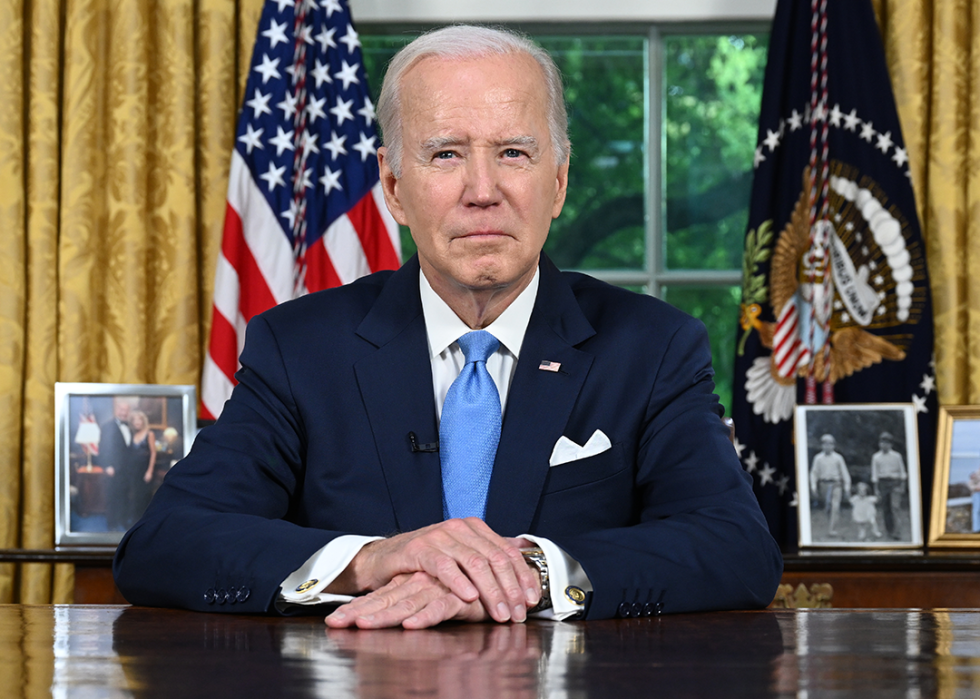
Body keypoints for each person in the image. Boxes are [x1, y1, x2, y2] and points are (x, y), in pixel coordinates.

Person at [113, 25, 782, 626]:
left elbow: (736, 546)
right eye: (446, 155)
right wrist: (373, 560)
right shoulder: (300, 348)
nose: (482, 189)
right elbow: (167, 541)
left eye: (514, 153)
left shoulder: (653, 346)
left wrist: (529, 570)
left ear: (559, 179)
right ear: (395, 186)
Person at [99, 397, 136, 532]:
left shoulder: (131, 427)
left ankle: (123, 521)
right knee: (112, 497)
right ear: (116, 410)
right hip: (113, 469)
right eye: (121, 409)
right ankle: (112, 524)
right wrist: (107, 466)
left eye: (126, 410)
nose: (124, 412)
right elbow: (103, 448)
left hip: (127, 470)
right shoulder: (107, 426)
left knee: (125, 497)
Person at [809, 434, 851, 536]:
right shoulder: (818, 458)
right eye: (825, 444)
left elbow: (844, 473)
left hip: (836, 484)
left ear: (833, 445)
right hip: (824, 484)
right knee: (828, 507)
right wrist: (813, 486)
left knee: (835, 506)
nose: (827, 446)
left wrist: (847, 487)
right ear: (822, 445)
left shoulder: (838, 458)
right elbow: (814, 473)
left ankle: (832, 529)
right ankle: (830, 524)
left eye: (830, 444)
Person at [870, 431, 907, 539]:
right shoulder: (876, 457)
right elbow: (875, 474)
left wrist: (902, 485)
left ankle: (897, 531)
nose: (884, 445)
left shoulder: (896, 456)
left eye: (886, 443)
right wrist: (876, 489)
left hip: (895, 483)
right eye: (882, 443)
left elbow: (902, 472)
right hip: (883, 483)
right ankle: (889, 531)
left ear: (891, 444)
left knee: (895, 507)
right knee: (886, 509)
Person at [128, 410, 157, 522]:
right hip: (134, 470)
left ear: (143, 421)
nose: (137, 422)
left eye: (139, 420)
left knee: (144, 496)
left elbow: (153, 453)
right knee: (135, 496)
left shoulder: (149, 434)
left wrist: (149, 471)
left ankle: (144, 521)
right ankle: (135, 520)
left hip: (145, 469)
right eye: (134, 420)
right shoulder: (133, 434)